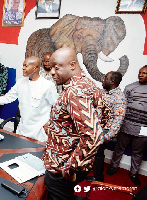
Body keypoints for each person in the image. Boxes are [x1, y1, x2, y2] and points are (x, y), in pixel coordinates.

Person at [41, 47, 108, 200]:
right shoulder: (89, 84)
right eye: (51, 68)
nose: (52, 72)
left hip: (61, 165)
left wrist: (70, 167)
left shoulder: (74, 92)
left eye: (56, 68)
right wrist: (56, 129)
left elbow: (94, 136)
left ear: (72, 65)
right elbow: (101, 118)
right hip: (77, 161)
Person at [0, 56, 58, 142]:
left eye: (26, 66)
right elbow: (7, 98)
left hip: (39, 135)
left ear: (35, 68)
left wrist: (51, 125)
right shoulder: (21, 82)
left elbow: (57, 106)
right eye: (23, 65)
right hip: (21, 132)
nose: (23, 68)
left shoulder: (47, 85)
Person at [106, 65, 147, 186]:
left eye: (144, 73)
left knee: (138, 152)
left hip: (144, 128)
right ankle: (113, 166)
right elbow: (122, 106)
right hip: (127, 124)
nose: (140, 75)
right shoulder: (130, 87)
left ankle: (133, 173)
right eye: (139, 72)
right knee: (119, 147)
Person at [86, 71, 127, 182]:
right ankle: (89, 169)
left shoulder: (119, 98)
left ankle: (99, 177)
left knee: (98, 154)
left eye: (105, 78)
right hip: (95, 127)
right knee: (92, 152)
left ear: (112, 81)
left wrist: (107, 137)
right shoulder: (104, 92)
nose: (103, 80)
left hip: (104, 131)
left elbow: (118, 121)